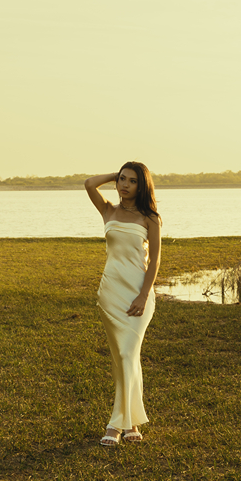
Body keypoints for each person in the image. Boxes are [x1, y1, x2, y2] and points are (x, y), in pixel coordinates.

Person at [84, 162, 161, 447]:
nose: (124, 185)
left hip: (138, 293)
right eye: (122, 179)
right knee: (123, 358)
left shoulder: (150, 217)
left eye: (132, 181)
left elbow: (155, 260)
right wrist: (113, 174)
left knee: (128, 354)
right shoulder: (108, 210)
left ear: (142, 186)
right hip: (111, 294)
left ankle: (115, 424)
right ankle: (132, 423)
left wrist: (143, 295)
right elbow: (89, 184)